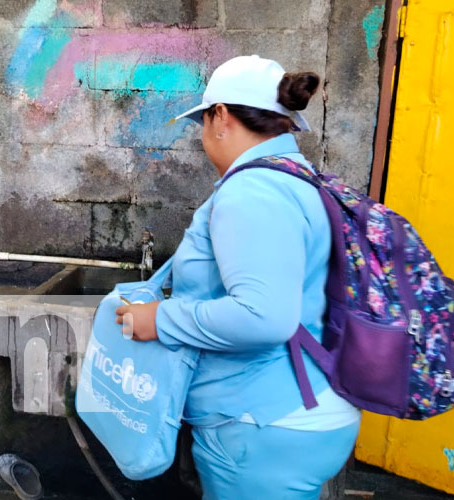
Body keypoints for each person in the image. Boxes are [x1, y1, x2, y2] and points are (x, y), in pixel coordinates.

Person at [115, 55, 362, 499]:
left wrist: (160, 319)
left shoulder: (253, 191)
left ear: (221, 116)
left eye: (202, 123)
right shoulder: (299, 179)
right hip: (302, 407)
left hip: (262, 423)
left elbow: (264, 317)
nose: (203, 136)